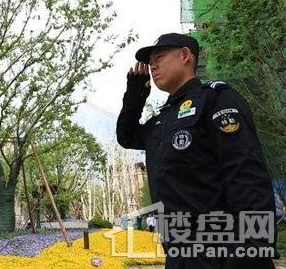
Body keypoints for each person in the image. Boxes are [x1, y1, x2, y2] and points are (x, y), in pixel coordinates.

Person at [116, 33, 277, 269]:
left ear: (184, 56)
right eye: (150, 61)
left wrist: (248, 255)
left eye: (159, 57)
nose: (152, 65)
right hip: (181, 256)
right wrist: (135, 95)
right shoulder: (164, 120)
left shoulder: (216, 100)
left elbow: (248, 180)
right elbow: (127, 136)